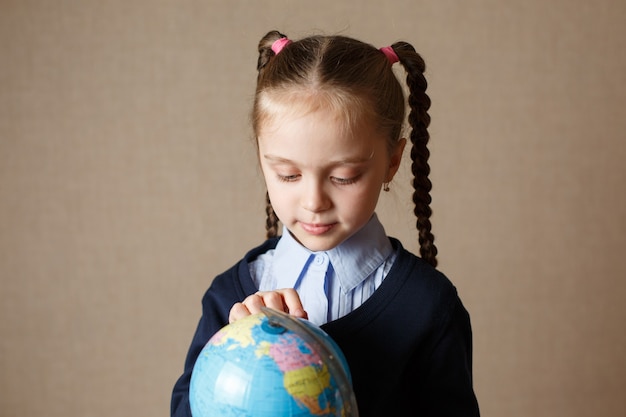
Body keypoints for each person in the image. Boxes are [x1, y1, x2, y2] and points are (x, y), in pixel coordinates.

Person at [171, 30, 480, 416]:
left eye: (345, 176)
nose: (314, 202)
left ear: (393, 161)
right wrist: (237, 348)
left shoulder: (429, 306)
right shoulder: (228, 299)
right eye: (287, 174)